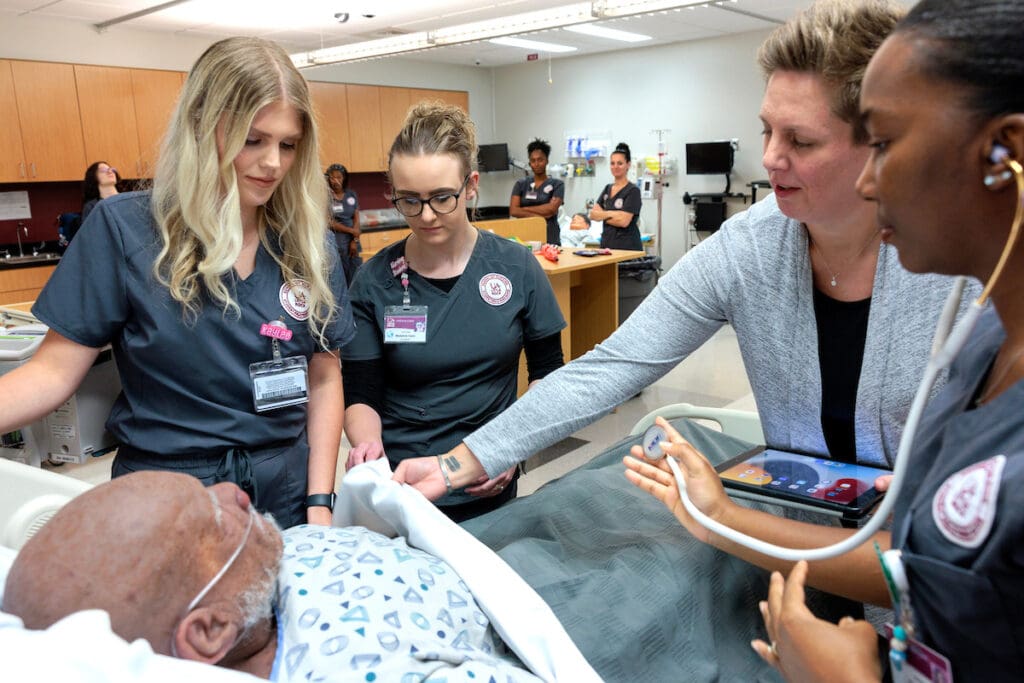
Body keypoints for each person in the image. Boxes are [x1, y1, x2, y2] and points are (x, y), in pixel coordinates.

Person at [394, 1, 960, 518]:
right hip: (800, 547)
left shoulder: (964, 265)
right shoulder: (747, 252)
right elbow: (613, 366)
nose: (770, 157)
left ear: (882, 142)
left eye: (801, 142)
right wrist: (461, 462)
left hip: (938, 572)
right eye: (766, 131)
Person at [709, 1, 1022, 680]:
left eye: (883, 143)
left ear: (1007, 154)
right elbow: (929, 574)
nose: (871, 181)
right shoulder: (978, 351)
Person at [0, 37, 354, 529]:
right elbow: (51, 374)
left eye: (288, 144)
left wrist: (320, 503)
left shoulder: (306, 243)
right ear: (202, 127)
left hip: (285, 493)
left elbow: (324, 376)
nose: (273, 162)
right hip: (167, 496)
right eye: (253, 140)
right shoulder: (126, 230)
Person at [1, 471, 543, 681]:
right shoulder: (359, 668)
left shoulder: (253, 581)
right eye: (214, 522)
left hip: (477, 547)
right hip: (541, 603)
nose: (233, 494)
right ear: (211, 631)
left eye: (202, 488)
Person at [342, 103, 566, 522]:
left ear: (471, 185)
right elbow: (360, 393)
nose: (426, 216)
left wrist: (510, 448)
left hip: (489, 483)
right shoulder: (374, 283)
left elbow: (547, 373)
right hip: (402, 492)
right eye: (409, 200)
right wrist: (368, 445)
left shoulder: (516, 268)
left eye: (442, 198)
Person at [509, 138, 564, 245]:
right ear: (529, 163)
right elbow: (514, 211)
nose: (536, 164)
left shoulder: (557, 184)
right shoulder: (521, 184)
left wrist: (524, 209)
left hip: (549, 235)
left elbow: (551, 209)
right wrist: (542, 213)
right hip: (526, 235)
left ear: (547, 160)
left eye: (540, 160)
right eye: (533, 160)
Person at [590, 142, 642, 250]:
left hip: (627, 248)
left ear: (628, 165)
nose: (615, 167)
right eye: (612, 163)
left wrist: (603, 215)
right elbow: (593, 215)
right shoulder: (607, 189)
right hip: (607, 247)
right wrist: (615, 214)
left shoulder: (633, 191)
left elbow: (623, 222)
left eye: (620, 163)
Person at [326, 162, 362, 285]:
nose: (335, 180)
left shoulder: (351, 195)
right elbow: (328, 222)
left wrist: (355, 239)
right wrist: (352, 231)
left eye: (338, 177)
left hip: (352, 242)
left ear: (344, 178)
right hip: (336, 241)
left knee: (356, 273)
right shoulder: (326, 196)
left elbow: (356, 216)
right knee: (339, 277)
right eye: (332, 177)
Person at [80, 160, 120, 225]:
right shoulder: (92, 207)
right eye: (103, 170)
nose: (110, 171)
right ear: (94, 177)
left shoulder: (129, 199)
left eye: (112, 169)